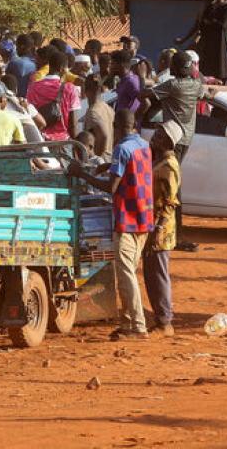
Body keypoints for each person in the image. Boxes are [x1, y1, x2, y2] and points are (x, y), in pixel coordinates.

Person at [77, 109, 153, 340]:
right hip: (144, 217)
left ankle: (138, 326)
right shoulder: (143, 145)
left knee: (126, 274)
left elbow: (111, 188)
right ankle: (128, 323)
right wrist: (108, 166)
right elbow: (128, 171)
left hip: (127, 219)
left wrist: (82, 173)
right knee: (125, 273)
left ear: (117, 126)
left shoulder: (122, 148)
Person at [144, 121, 183, 338]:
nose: (155, 136)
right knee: (152, 273)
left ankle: (165, 321)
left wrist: (157, 229)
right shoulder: (160, 161)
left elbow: (170, 202)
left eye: (159, 134)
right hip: (154, 224)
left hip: (160, 227)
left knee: (158, 273)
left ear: (167, 140)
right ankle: (160, 318)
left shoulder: (169, 166)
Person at [176, 0, 227, 81]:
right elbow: (201, 25)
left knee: (219, 72)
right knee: (206, 73)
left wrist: (210, 22)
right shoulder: (209, 8)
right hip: (207, 45)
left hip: (219, 46)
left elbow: (223, 25)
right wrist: (183, 39)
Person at [26, 51, 80, 141]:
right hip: (63, 141)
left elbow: (30, 114)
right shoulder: (70, 88)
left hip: (40, 140)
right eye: (67, 69)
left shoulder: (33, 87)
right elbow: (73, 124)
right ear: (61, 69)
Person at [82, 74, 115, 156]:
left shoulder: (93, 112)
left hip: (100, 163)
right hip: (110, 158)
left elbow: (104, 136)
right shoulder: (109, 109)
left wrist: (97, 159)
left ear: (85, 90)